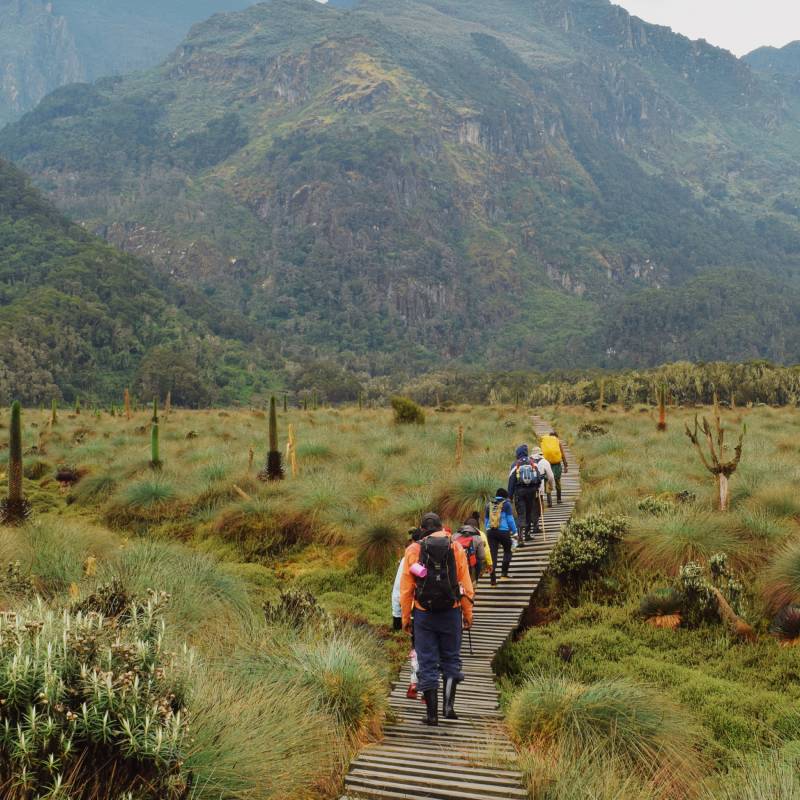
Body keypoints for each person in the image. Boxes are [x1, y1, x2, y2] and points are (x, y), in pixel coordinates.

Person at [400, 513, 474, 726]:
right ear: (442, 527)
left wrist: (406, 619)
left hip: (424, 614)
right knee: (451, 658)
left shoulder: (413, 550)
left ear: (422, 529)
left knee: (427, 661)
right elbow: (465, 585)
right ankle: (448, 708)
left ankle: (432, 715)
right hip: (451, 612)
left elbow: (406, 590)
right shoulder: (456, 548)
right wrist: (467, 615)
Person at [392, 527, 425, 698]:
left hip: (418, 611)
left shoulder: (409, 556)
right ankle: (430, 688)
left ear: (413, 541)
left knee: (417, 648)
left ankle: (414, 682)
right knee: (435, 650)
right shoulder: (447, 550)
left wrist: (399, 617)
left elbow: (401, 590)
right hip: (444, 613)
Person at [507, 444, 544, 544]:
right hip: (531, 493)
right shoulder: (533, 463)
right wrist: (537, 489)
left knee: (521, 514)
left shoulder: (515, 465)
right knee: (529, 512)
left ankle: (520, 537)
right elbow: (539, 478)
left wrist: (509, 497)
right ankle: (527, 535)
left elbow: (511, 481)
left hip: (520, 493)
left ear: (518, 453)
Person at [484, 489, 518, 585]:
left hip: (491, 532)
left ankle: (493, 580)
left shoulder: (488, 505)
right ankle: (504, 573)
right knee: (508, 549)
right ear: (505, 496)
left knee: (493, 556)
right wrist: (515, 531)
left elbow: (486, 521)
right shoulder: (506, 504)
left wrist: (487, 532)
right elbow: (510, 519)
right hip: (503, 531)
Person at [530, 445, 555, 532]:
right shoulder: (544, 462)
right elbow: (551, 477)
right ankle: (536, 525)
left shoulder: (527, 461)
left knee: (530, 506)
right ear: (540, 453)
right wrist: (551, 485)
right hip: (538, 489)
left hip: (527, 489)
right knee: (539, 507)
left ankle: (530, 526)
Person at [540, 430, 569, 505]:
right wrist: (565, 466)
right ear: (556, 437)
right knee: (557, 481)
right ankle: (559, 499)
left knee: (547, 481)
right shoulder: (558, 442)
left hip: (547, 464)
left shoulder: (545, 442)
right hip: (557, 465)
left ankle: (549, 501)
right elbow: (562, 455)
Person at [464, 513, 492, 580]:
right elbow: (486, 551)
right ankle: (474, 584)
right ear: (476, 526)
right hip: (474, 563)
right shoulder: (481, 534)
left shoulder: (458, 534)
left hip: (461, 562)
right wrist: (489, 563)